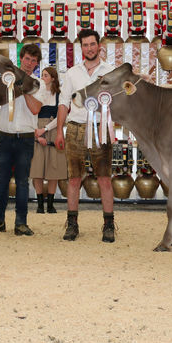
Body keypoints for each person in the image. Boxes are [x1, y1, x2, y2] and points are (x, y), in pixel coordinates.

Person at [55, 28, 116, 242]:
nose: (89, 48)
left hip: (101, 129)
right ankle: (72, 225)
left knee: (104, 180)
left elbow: (117, 102)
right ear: (81, 47)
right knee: (73, 179)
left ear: (99, 46)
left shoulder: (110, 71)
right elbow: (63, 103)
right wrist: (59, 131)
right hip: (75, 128)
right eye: (86, 45)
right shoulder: (72, 73)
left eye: (92, 44)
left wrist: (111, 127)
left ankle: (109, 225)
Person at [0, 44, 42, 236]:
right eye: (27, 59)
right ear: (21, 59)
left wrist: (22, 86)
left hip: (25, 138)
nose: (29, 63)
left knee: (23, 182)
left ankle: (21, 223)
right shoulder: (6, 79)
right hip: (4, 136)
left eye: (33, 61)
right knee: (2, 181)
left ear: (37, 64)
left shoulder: (38, 83)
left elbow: (36, 109)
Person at [30, 66, 67, 214]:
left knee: (54, 169)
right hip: (37, 132)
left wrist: (45, 130)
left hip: (53, 132)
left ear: (53, 78)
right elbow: (31, 114)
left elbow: (62, 117)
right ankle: (40, 205)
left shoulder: (60, 94)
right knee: (37, 169)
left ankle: (50, 205)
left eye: (46, 75)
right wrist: (37, 135)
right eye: (42, 75)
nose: (43, 78)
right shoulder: (37, 93)